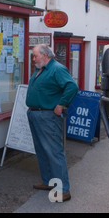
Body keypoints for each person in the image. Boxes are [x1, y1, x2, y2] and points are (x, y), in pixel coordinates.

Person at [26, 44, 78, 202]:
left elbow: (72, 87)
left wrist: (61, 104)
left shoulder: (57, 68)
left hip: (48, 116)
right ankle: (49, 181)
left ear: (45, 55)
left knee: (54, 152)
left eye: (35, 56)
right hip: (36, 113)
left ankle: (63, 190)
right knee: (41, 150)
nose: (33, 59)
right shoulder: (40, 68)